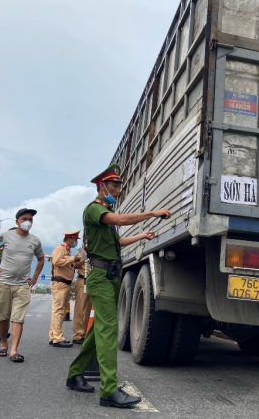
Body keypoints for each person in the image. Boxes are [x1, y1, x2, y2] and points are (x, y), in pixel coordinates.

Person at [66, 163, 171, 409]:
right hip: (100, 277)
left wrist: (142, 236)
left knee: (98, 330)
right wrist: (152, 213)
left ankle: (75, 374)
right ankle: (109, 390)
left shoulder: (106, 217)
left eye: (120, 186)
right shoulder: (94, 209)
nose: (118, 189)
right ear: (101, 186)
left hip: (111, 276)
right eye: (114, 185)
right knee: (109, 329)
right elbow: (121, 220)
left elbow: (118, 241)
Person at [0, 208, 44, 363]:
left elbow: (41, 259)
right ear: (17, 222)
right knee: (2, 317)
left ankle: (14, 349)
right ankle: (3, 344)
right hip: (4, 284)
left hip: (22, 286)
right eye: (25, 219)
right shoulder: (6, 236)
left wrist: (34, 277)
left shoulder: (35, 241)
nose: (28, 222)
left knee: (18, 319)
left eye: (31, 219)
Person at [49, 230, 83, 348]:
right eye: (74, 240)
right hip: (60, 283)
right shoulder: (61, 248)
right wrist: (72, 259)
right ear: (70, 239)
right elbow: (56, 261)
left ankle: (53, 336)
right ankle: (58, 339)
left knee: (60, 311)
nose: (75, 242)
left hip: (65, 284)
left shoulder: (68, 250)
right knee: (58, 311)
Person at [72, 246, 92, 345]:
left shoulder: (95, 251)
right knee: (80, 309)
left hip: (91, 281)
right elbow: (74, 265)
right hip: (82, 280)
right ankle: (77, 335)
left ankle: (83, 333)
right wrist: (84, 259)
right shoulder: (81, 252)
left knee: (87, 310)